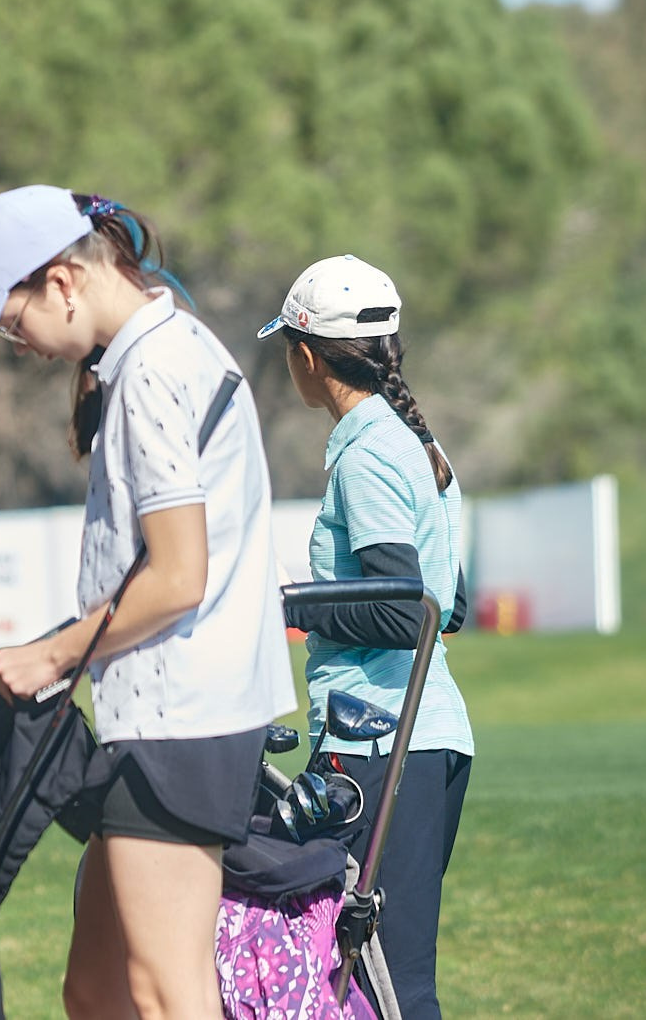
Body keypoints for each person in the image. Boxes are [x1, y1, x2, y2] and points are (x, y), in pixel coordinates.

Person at [0, 186, 295, 1020]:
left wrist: (51, 653)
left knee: (165, 993)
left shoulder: (151, 371)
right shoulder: (169, 349)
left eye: (12, 321)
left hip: (181, 719)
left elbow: (178, 575)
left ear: (63, 282)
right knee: (96, 990)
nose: (19, 345)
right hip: (167, 715)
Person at [259, 254, 473, 1020]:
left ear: (308, 356)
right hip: (428, 738)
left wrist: (290, 604)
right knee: (371, 972)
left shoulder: (370, 454)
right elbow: (451, 605)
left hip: (380, 743)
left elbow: (401, 613)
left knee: (385, 980)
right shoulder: (418, 443)